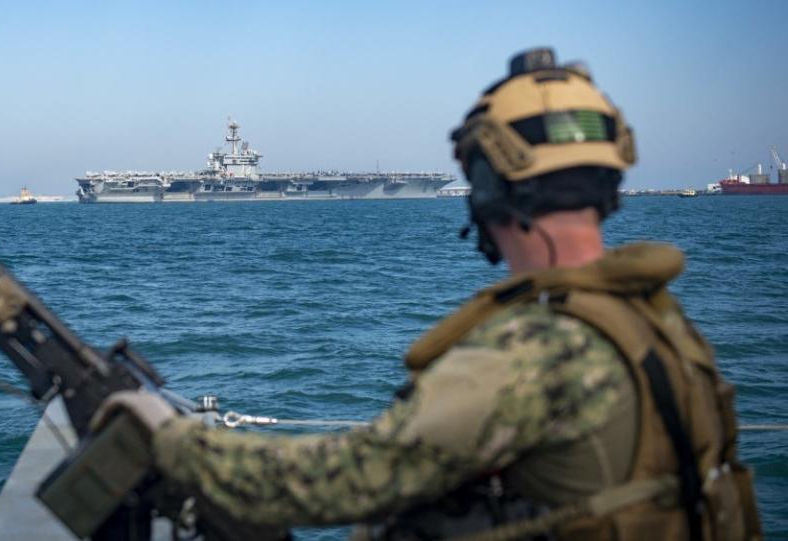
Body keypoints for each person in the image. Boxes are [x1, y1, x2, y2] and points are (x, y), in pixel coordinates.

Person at [94, 48, 762, 540]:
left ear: (491, 189)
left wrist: (172, 438)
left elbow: (349, 478)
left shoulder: (533, 348)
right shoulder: (668, 326)